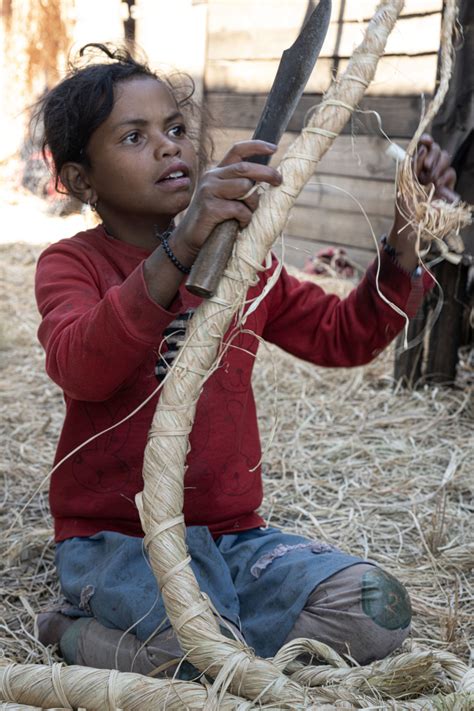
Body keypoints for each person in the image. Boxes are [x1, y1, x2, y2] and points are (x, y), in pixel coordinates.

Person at [35, 44, 457, 676]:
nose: (169, 147)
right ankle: (75, 631)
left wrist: (406, 229)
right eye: (134, 136)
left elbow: (344, 337)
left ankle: (223, 646)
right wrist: (180, 248)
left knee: (377, 609)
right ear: (81, 179)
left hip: (234, 538)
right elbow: (80, 365)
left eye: (176, 129)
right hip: (118, 541)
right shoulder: (72, 265)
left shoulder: (244, 261)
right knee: (198, 652)